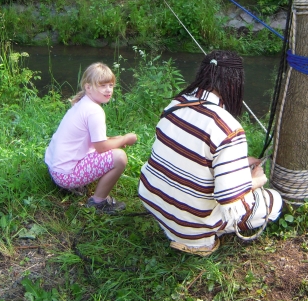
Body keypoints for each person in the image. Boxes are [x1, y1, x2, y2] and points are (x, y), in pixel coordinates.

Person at [138, 50, 282, 256]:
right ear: (235, 83)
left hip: (152, 199)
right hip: (189, 223)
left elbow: (191, 157)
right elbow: (230, 199)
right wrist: (255, 180)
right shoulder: (228, 128)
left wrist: (239, 163)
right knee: (274, 201)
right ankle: (200, 241)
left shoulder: (176, 104)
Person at [45, 62, 137, 214]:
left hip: (56, 168)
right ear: (88, 87)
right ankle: (99, 202)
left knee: (113, 150)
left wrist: (115, 139)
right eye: (102, 85)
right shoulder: (94, 111)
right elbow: (101, 148)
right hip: (65, 175)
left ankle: (78, 186)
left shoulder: (82, 103)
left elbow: (95, 140)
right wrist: (125, 139)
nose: (108, 90)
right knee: (119, 157)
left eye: (111, 85)